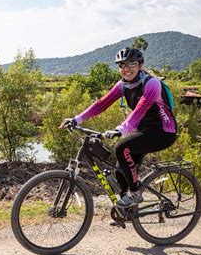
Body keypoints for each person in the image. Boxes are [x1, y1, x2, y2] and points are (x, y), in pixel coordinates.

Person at [60, 47, 177, 208]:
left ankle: (135, 194)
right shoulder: (123, 85)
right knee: (120, 171)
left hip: (163, 131)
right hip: (143, 130)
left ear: (140, 65)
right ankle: (125, 212)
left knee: (121, 147)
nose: (126, 69)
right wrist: (76, 119)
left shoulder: (152, 84)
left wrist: (120, 130)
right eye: (121, 65)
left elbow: (139, 110)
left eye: (131, 64)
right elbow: (102, 104)